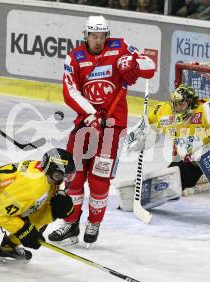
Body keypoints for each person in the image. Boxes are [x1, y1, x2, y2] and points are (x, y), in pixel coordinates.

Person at [48, 15, 155, 246]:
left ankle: (94, 222)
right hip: (85, 126)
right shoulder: (75, 57)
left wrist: (132, 64)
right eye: (93, 36)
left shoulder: (120, 48)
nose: (98, 40)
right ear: (85, 35)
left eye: (102, 36)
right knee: (74, 176)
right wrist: (91, 114)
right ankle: (70, 223)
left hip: (112, 129)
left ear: (107, 35)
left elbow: (150, 66)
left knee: (99, 179)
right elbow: (70, 91)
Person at [127, 84, 210, 231]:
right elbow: (147, 123)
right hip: (192, 158)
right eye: (174, 103)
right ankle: (136, 196)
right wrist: (141, 133)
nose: (177, 107)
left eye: (181, 103)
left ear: (191, 102)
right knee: (171, 180)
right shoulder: (165, 111)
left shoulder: (205, 111)